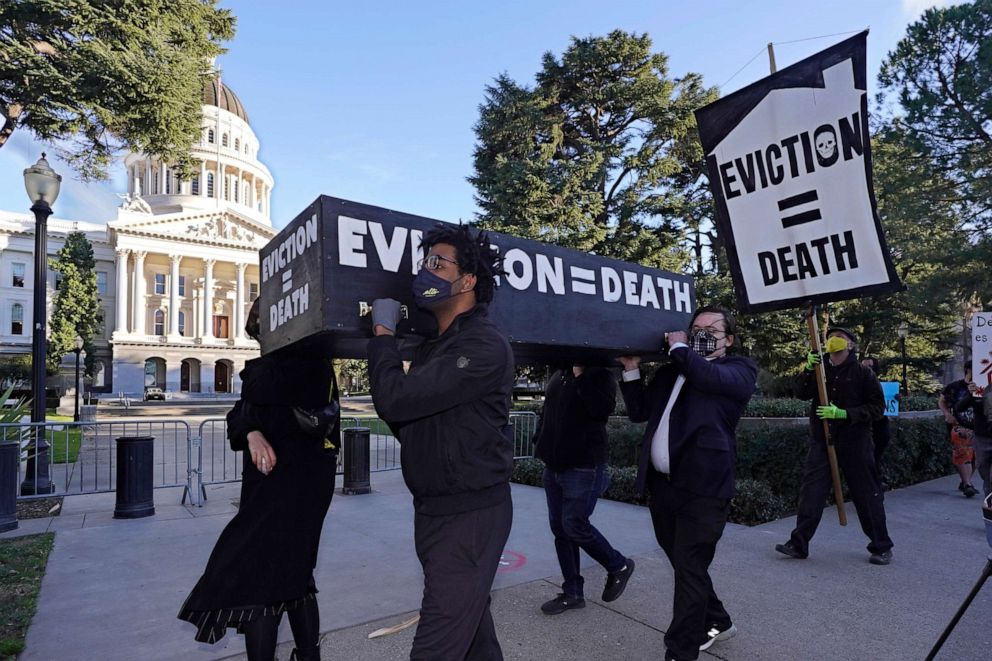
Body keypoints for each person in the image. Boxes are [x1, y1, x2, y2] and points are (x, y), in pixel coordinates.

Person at [367, 223, 514, 661]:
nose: (425, 272)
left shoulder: (483, 346)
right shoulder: (438, 348)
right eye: (424, 262)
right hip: (435, 512)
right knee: (472, 636)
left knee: (435, 647)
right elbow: (412, 422)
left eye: (437, 263)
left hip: (468, 517)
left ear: (467, 281)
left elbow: (396, 401)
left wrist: (382, 337)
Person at [179, 299, 341, 661]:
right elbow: (237, 416)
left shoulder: (307, 363)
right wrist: (251, 431)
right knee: (292, 575)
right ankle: (308, 655)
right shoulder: (269, 369)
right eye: (258, 331)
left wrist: (249, 415)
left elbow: (257, 394)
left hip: (300, 485)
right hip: (264, 487)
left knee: (263, 579)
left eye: (264, 329)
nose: (261, 339)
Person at [618, 305, 757, 661]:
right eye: (696, 327)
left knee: (689, 566)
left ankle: (681, 650)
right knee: (684, 565)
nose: (701, 332)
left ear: (729, 339)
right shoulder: (671, 372)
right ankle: (719, 621)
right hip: (664, 488)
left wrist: (680, 348)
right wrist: (632, 370)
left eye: (711, 327)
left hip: (704, 491)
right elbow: (639, 412)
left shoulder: (738, 370)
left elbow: (709, 378)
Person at [776, 327, 893, 565]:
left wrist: (844, 414)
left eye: (840, 338)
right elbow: (800, 393)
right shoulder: (820, 370)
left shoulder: (863, 373)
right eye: (830, 337)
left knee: (866, 494)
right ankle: (799, 544)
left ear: (851, 345)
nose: (833, 341)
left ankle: (881, 546)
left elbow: (877, 408)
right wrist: (808, 369)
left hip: (855, 443)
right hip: (822, 441)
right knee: (812, 493)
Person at [534, 364, 634, 616]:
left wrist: (581, 373)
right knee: (561, 530)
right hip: (554, 468)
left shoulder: (599, 374)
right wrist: (540, 441)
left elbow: (601, 409)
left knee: (574, 524)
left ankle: (618, 565)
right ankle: (572, 593)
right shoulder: (559, 373)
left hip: (584, 467)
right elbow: (548, 411)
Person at [938, 366, 979, 498]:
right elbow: (942, 400)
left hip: (979, 428)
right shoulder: (955, 386)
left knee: (976, 458)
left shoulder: (984, 385)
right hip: (959, 425)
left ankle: (965, 481)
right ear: (968, 370)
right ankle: (967, 484)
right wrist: (946, 414)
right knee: (963, 453)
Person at [861, 356, 891, 490]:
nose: (867, 369)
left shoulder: (882, 385)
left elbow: (888, 407)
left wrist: (896, 399)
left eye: (870, 366)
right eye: (864, 366)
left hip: (879, 427)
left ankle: (875, 484)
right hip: (863, 428)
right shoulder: (855, 384)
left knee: (874, 456)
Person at [959, 378, 991, 497]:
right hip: (982, 437)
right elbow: (960, 408)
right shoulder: (979, 386)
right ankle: (989, 503)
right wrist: (971, 394)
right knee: (985, 473)